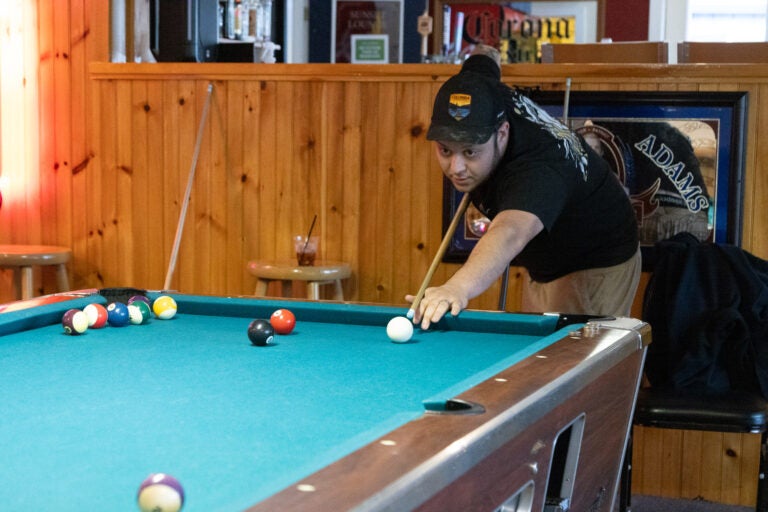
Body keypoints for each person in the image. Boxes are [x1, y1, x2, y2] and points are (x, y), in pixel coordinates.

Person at [406, 46, 641, 329]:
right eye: (445, 150)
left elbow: (509, 233)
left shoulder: (537, 170)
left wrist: (457, 288)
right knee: (538, 359)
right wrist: (484, 54)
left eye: (470, 152)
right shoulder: (480, 93)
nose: (455, 167)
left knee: (576, 367)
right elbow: (485, 60)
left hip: (596, 261)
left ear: (502, 133)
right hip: (547, 258)